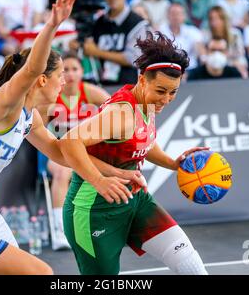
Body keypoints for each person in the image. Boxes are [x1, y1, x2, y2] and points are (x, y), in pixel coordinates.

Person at [0, 0, 143, 275]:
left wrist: (114, 173)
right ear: (41, 80)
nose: (65, 82)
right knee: (41, 273)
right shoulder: (4, 104)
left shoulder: (29, 117)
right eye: (60, 75)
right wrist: (53, 24)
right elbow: (31, 68)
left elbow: (62, 153)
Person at [59, 31, 209, 275]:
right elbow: (68, 143)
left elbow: (142, 144)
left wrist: (174, 163)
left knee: (188, 262)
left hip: (134, 200)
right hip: (93, 211)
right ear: (142, 81)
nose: (167, 99)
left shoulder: (145, 104)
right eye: (161, 91)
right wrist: (99, 181)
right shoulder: (121, 114)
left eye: (173, 92)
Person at [45, 53, 110, 251]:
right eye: (66, 70)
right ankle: (59, 231)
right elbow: (32, 121)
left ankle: (112, 227)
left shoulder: (90, 92)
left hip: (88, 152)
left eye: (75, 69)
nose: (71, 74)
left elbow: (118, 111)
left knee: (114, 167)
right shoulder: (52, 96)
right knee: (63, 172)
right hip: (58, 151)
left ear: (82, 72)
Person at [80, 0, 150, 85]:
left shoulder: (138, 23)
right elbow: (88, 49)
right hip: (102, 86)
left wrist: (97, 52)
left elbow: (133, 58)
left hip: (129, 88)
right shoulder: (99, 23)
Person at [203, 6, 248, 78]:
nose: (214, 23)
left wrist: (226, 59)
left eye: (218, 19)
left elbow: (240, 53)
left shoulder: (235, 34)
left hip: (231, 64)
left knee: (242, 66)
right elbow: (204, 57)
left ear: (224, 19)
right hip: (213, 66)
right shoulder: (206, 35)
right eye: (212, 19)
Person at [159, 2, 204, 70]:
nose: (176, 17)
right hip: (168, 70)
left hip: (190, 70)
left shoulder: (193, 31)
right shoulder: (160, 31)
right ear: (167, 15)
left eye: (179, 14)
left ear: (184, 16)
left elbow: (202, 53)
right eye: (173, 14)